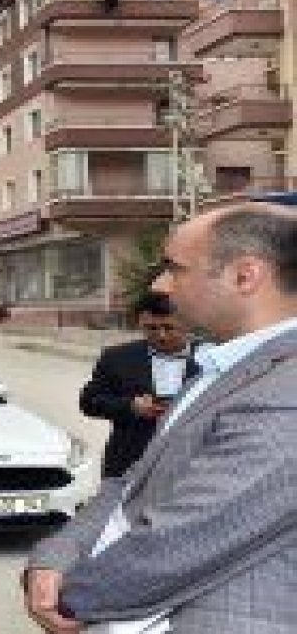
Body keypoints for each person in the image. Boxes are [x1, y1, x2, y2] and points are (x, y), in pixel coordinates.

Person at [24, 203, 297, 634]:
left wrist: (68, 597)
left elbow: (186, 539)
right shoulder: (219, 368)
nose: (160, 285)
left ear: (245, 276)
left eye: (175, 269)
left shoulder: (286, 390)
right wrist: (54, 558)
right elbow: (132, 484)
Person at [79, 292, 198, 479]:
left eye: (169, 327)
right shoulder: (117, 358)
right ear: (139, 324)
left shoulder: (214, 356)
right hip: (129, 464)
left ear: (187, 323)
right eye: (151, 328)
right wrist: (131, 406)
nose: (161, 335)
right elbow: (89, 402)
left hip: (194, 466)